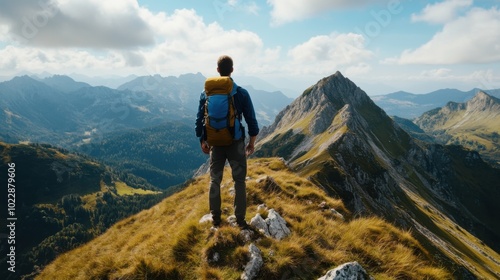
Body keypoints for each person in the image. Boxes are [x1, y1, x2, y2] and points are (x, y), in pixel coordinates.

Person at [195, 55, 259, 229]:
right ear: (232, 70)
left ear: (217, 70)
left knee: (215, 180)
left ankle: (215, 219)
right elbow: (252, 121)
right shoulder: (241, 93)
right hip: (235, 143)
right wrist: (251, 143)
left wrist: (203, 140)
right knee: (239, 181)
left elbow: (199, 119)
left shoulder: (206, 92)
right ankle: (240, 220)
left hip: (215, 144)